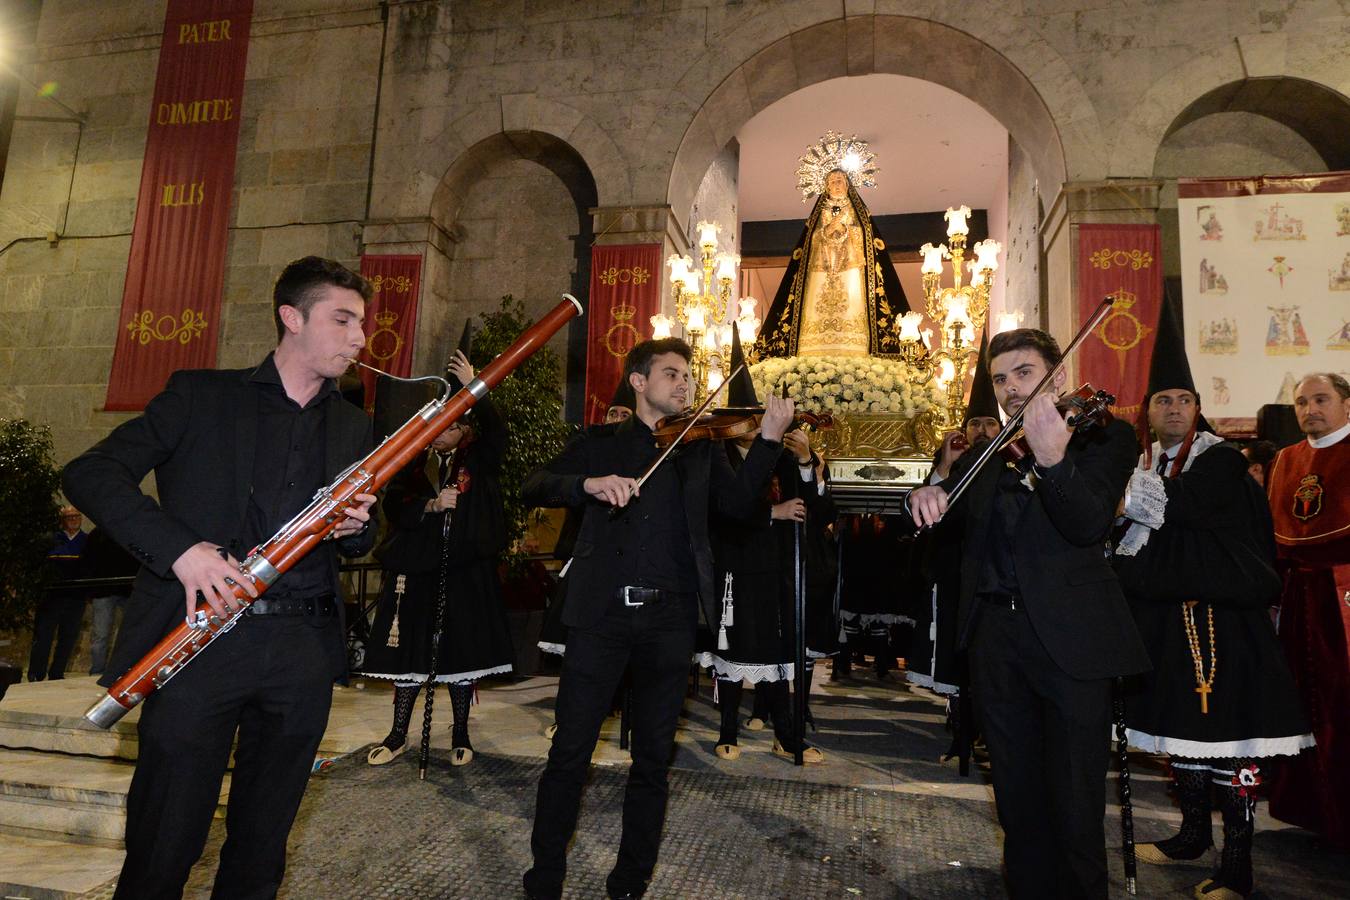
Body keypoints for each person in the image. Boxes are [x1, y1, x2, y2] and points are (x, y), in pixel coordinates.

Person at [63, 256, 378, 899]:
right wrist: (180, 552)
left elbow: (369, 535)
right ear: (292, 318)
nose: (360, 338)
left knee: (263, 844)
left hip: (303, 650)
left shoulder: (355, 425)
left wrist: (358, 528)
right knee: (165, 835)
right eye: (343, 319)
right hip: (199, 642)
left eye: (362, 323)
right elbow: (90, 473)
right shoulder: (200, 396)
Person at [520, 337, 795, 900]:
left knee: (651, 758)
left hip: (669, 621)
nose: (686, 384)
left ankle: (631, 878)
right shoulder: (599, 442)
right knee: (570, 751)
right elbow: (533, 484)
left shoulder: (699, 448)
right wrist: (587, 486)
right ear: (639, 382)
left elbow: (741, 507)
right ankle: (544, 875)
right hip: (599, 618)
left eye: (689, 376)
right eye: (672, 374)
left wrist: (768, 438)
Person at [907, 327, 1149, 899]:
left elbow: (1088, 524)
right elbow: (938, 506)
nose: (1011, 388)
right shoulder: (991, 453)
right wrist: (922, 496)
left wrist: (1053, 459)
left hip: (1069, 645)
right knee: (1017, 801)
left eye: (1023, 372)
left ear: (1057, 374)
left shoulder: (1103, 441)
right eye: (1000, 379)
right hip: (996, 640)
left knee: (1074, 803)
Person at [1113, 303, 1312, 900]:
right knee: (1183, 737)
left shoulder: (1219, 463)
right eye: (1162, 401)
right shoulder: (1147, 465)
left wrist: (1112, 497)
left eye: (1183, 400)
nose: (1173, 409)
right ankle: (1192, 834)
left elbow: (1173, 510)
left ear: (1198, 409)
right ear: (1147, 412)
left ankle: (1239, 865)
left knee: (1232, 743)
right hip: (1171, 622)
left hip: (1227, 627)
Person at [360, 346, 513, 768]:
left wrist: (473, 387)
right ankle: (397, 736)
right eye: (438, 425)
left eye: (451, 425)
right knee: (409, 656)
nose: (442, 432)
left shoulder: (479, 460)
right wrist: (429, 507)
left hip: (461, 569)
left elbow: (497, 430)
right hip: (415, 569)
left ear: (464, 429)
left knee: (458, 655)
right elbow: (393, 505)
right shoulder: (416, 463)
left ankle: (461, 734)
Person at [699, 349, 829, 765]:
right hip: (736, 568)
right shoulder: (716, 457)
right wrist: (770, 512)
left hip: (778, 571)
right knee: (735, 650)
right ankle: (727, 732)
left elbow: (821, 512)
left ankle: (787, 737)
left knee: (778, 656)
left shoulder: (785, 457)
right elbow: (719, 511)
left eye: (757, 417)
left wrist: (808, 463)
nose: (751, 425)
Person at [1264, 372, 1350, 850]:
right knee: (1299, 700)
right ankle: (1309, 808)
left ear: (1347, 404)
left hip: (1344, 590)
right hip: (1298, 594)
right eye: (1301, 401)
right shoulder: (1286, 460)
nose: (1309, 409)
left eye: (1321, 399)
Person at [754, 166, 910, 358]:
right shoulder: (821, 212)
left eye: (840, 181)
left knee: (852, 300)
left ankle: (853, 344)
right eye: (832, 182)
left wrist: (845, 228)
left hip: (850, 265)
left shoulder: (856, 211)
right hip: (822, 265)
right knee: (816, 300)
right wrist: (826, 231)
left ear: (847, 185)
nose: (836, 185)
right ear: (826, 187)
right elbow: (810, 241)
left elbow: (865, 237)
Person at [28, 506, 89, 681]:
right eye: (69, 517)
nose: (73, 519)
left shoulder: (87, 541)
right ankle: (36, 674)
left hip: (75, 597)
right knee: (43, 636)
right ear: (62, 520)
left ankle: (57, 673)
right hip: (50, 597)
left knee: (68, 638)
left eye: (76, 516)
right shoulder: (51, 540)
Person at [84, 524, 139, 676]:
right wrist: (90, 588)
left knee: (132, 632)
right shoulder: (97, 534)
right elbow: (88, 561)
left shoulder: (131, 531)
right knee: (100, 634)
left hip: (128, 590)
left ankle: (126, 670)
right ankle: (97, 671)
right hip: (103, 591)